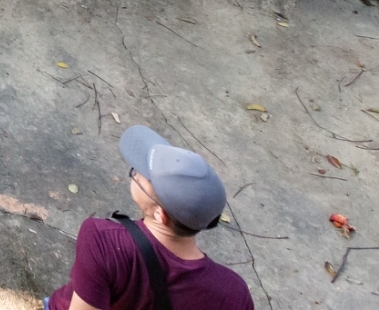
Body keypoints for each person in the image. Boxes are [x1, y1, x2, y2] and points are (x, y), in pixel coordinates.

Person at [46, 126, 252, 310]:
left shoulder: (102, 240)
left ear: (160, 215)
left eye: (138, 173)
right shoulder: (235, 294)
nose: (135, 172)